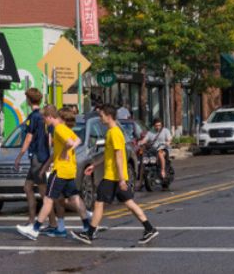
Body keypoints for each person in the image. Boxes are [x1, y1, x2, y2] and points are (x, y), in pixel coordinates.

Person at [74, 104, 158, 245]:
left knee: (99, 203)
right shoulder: (111, 132)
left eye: (101, 116)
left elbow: (119, 156)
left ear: (108, 116)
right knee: (129, 203)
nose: (100, 118)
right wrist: (94, 165)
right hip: (114, 177)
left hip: (113, 177)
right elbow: (108, 154)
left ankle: (89, 233)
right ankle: (149, 228)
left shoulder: (114, 133)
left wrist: (121, 179)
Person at [15, 105, 95, 240]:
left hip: (61, 170)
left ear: (50, 117)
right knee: (75, 198)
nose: (44, 122)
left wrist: (65, 151)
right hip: (69, 169)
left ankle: (34, 229)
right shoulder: (65, 128)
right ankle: (87, 227)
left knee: (48, 199)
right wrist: (46, 166)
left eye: (44, 119)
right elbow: (77, 140)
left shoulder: (58, 129)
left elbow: (70, 143)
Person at [13, 88, 50, 227]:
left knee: (43, 193)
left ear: (29, 100)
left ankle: (52, 223)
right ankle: (31, 220)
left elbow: (28, 138)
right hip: (41, 156)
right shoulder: (43, 115)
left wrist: (19, 156)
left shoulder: (34, 117)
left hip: (37, 158)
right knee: (28, 188)